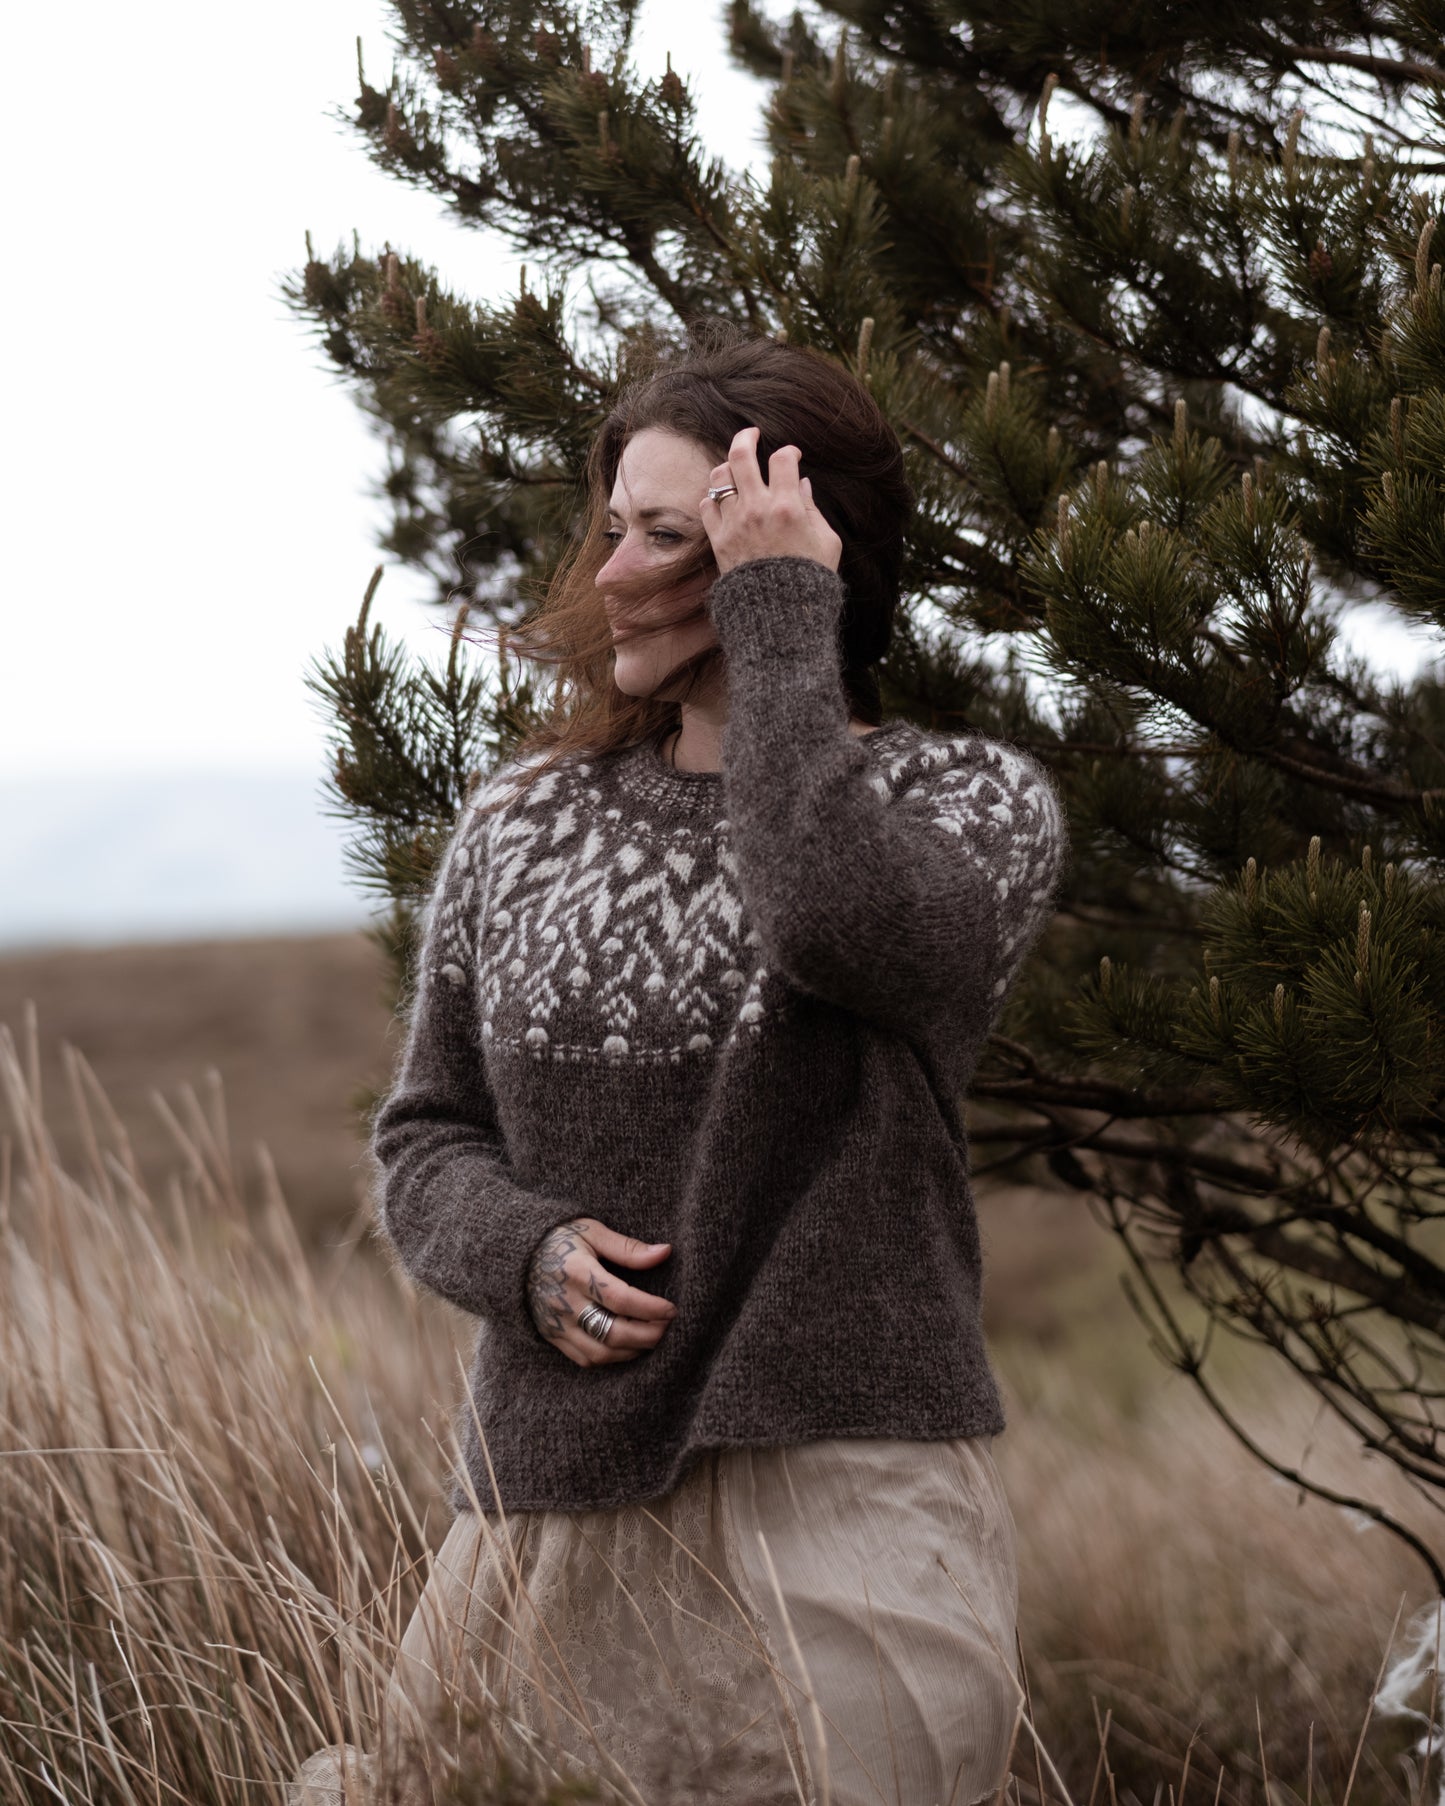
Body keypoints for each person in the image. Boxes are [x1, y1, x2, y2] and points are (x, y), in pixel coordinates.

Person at [289, 323, 1067, 1806]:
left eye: (673, 534)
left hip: (849, 1494)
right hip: (554, 1499)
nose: (609, 576)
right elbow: (428, 1136)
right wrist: (523, 1252)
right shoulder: (526, 821)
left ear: (796, 554)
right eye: (610, 529)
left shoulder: (971, 806)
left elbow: (829, 913)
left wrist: (780, 628)